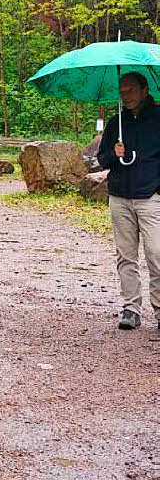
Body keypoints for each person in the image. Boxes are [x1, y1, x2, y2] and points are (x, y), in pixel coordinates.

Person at [97, 71, 160, 334]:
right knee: (126, 256)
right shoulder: (116, 123)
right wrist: (114, 153)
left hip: (150, 197)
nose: (125, 96)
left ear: (144, 90)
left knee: (157, 254)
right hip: (120, 195)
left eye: (130, 91)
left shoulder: (158, 119)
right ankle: (131, 308)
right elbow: (102, 159)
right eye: (122, 92)